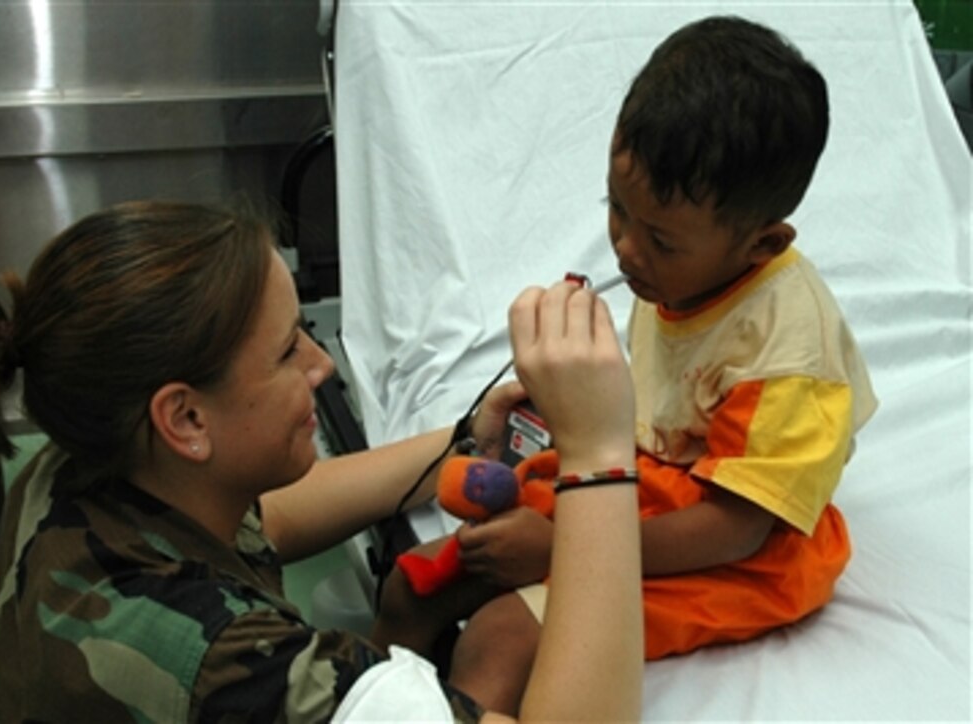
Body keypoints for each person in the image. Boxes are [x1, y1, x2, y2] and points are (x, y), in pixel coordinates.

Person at [0, 199, 643, 722]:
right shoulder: (248, 673)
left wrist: (458, 443)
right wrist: (599, 454)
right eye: (286, 351)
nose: (321, 363)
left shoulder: (76, 466)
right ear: (185, 418)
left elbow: (263, 517)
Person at [372, 14, 879, 714]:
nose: (627, 251)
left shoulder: (791, 356)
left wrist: (560, 549)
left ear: (762, 246)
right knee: (410, 587)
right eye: (617, 211)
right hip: (644, 489)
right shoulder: (678, 273)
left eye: (661, 240)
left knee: (501, 638)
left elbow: (737, 527)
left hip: (734, 551)